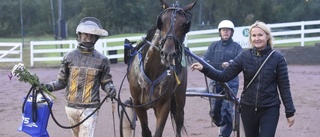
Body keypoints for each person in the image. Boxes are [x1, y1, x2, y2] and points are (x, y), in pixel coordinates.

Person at [190, 20, 295, 137]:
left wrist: (289, 111)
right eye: (254, 35)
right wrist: (204, 68)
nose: (257, 38)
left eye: (260, 35)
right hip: (247, 108)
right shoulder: (244, 56)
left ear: (267, 36)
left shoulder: (277, 58)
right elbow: (224, 76)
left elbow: (284, 87)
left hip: (270, 108)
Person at [43, 17, 116, 137]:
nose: (88, 37)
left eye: (92, 35)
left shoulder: (102, 60)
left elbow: (106, 82)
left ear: (96, 38)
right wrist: (47, 86)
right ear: (79, 35)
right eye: (85, 34)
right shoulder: (68, 57)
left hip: (90, 108)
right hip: (70, 107)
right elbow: (61, 82)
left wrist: (110, 88)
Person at [202, 20, 242, 137]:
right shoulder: (213, 46)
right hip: (215, 81)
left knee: (227, 108)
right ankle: (220, 122)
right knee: (215, 110)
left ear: (231, 32)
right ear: (220, 32)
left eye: (228, 30)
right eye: (223, 30)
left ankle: (224, 134)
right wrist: (204, 63)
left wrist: (230, 63)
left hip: (231, 82)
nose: (225, 32)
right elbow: (204, 58)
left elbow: (240, 61)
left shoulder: (237, 47)